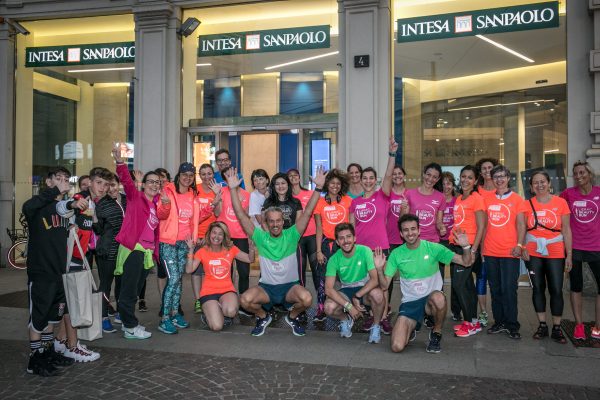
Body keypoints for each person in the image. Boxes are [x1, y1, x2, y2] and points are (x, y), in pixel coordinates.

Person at [226, 166, 326, 337]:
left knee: (307, 298)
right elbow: (241, 215)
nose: (275, 224)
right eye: (271, 221)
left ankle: (292, 317)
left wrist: (318, 188)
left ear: (283, 221)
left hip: (289, 288)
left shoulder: (292, 235)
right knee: (244, 300)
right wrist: (234, 189)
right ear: (266, 221)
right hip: (267, 289)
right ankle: (263, 317)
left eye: (278, 221)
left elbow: (308, 211)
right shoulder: (261, 237)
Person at [376, 214, 473, 353]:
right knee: (396, 346)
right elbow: (384, 286)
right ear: (401, 234)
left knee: (439, 298)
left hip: (430, 300)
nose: (410, 233)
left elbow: (466, 262)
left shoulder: (434, 248)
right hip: (410, 302)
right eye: (406, 230)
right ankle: (412, 328)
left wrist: (466, 247)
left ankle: (436, 333)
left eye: (413, 229)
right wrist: (379, 270)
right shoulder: (396, 254)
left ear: (419, 230)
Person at [23, 167, 84, 376]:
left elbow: (65, 208)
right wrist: (58, 193)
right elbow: (27, 207)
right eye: (58, 179)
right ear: (48, 182)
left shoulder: (63, 208)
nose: (63, 182)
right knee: (38, 318)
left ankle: (47, 352)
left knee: (52, 317)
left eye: (66, 179)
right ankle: (34, 359)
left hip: (59, 271)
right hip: (41, 271)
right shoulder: (37, 205)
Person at [54, 166, 110, 362]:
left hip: (79, 258)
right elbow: (63, 207)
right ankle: (73, 346)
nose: (102, 188)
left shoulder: (93, 204)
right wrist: (73, 206)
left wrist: (94, 217)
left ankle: (61, 340)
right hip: (69, 259)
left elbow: (96, 229)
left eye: (106, 184)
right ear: (90, 182)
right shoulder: (80, 199)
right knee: (74, 304)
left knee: (71, 302)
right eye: (99, 183)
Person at [157, 162, 213, 334]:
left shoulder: (192, 194)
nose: (187, 178)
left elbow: (196, 218)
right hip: (168, 242)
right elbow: (161, 214)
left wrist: (211, 206)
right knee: (173, 278)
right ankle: (164, 318)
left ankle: (175, 314)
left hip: (185, 242)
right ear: (179, 175)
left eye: (191, 175)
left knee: (179, 279)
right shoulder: (168, 191)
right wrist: (165, 204)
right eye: (184, 174)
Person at [349, 139, 397, 334]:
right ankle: (371, 315)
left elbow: (388, 175)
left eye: (371, 178)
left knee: (383, 285)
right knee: (367, 284)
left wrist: (392, 154)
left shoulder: (382, 196)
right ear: (360, 180)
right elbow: (352, 227)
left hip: (379, 248)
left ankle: (384, 318)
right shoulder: (355, 202)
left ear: (375, 180)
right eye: (364, 178)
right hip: (361, 249)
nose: (367, 181)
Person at [518, 170, 571, 344]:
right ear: (531, 187)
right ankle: (542, 325)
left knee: (556, 289)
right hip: (533, 252)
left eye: (542, 182)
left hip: (555, 251)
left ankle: (557, 327)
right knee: (538, 288)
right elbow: (522, 229)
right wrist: (523, 247)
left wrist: (568, 254)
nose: (539, 185)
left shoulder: (561, 203)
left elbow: (566, 230)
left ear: (549, 183)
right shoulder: (526, 204)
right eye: (535, 183)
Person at [111, 145, 158, 340]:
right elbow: (127, 183)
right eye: (151, 182)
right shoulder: (135, 197)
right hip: (134, 250)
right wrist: (121, 163)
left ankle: (126, 319)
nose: (154, 185)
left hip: (146, 252)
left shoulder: (155, 205)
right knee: (130, 290)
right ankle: (130, 326)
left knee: (135, 289)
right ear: (144, 184)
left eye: (157, 182)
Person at [185, 222, 254, 331]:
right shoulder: (202, 251)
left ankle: (220, 311)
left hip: (227, 290)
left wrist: (251, 248)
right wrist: (191, 250)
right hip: (208, 292)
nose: (216, 237)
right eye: (214, 233)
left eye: (220, 234)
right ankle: (208, 314)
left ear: (224, 236)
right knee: (217, 327)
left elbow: (250, 259)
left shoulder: (230, 249)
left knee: (231, 311)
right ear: (209, 234)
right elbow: (189, 270)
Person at [483, 165, 525, 339]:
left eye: (502, 176)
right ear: (492, 180)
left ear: (508, 178)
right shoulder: (487, 199)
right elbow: (483, 225)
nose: (499, 179)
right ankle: (499, 321)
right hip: (491, 251)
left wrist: (520, 245)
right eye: (496, 177)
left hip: (510, 252)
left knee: (509, 289)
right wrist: (481, 250)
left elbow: (522, 224)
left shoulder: (517, 199)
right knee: (495, 288)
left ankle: (512, 324)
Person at [324, 223, 385, 343]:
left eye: (348, 236)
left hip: (365, 288)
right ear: (337, 242)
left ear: (354, 238)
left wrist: (357, 296)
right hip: (346, 289)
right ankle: (345, 319)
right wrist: (349, 307)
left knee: (378, 295)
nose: (346, 241)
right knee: (329, 307)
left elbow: (374, 279)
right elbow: (328, 289)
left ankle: (376, 325)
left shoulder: (365, 250)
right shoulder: (334, 259)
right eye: (341, 238)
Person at [560, 161, 600, 340]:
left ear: (590, 174)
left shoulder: (599, 193)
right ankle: (578, 325)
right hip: (575, 248)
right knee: (576, 287)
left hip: (596, 247)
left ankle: (598, 326)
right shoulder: (568, 194)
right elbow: (557, 209)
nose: (578, 176)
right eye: (575, 173)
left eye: (582, 172)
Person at [450, 165, 486, 338]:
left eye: (469, 177)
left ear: (476, 181)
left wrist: (473, 250)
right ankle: (472, 321)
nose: (465, 180)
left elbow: (481, 227)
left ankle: (469, 323)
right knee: (467, 285)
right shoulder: (459, 198)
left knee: (458, 284)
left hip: (468, 247)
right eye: (463, 176)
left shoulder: (476, 198)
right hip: (457, 245)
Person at [314, 169, 352, 321]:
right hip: (326, 244)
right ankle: (321, 308)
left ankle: (348, 305)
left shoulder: (348, 201)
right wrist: (318, 250)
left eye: (338, 183)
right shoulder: (320, 203)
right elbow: (318, 228)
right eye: (332, 183)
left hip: (345, 245)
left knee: (346, 276)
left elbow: (352, 226)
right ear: (327, 184)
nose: (335, 186)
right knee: (323, 277)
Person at [215, 166, 252, 315]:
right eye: (229, 175)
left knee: (244, 272)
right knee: (226, 272)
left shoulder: (246, 195)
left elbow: (247, 218)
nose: (232, 177)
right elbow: (217, 213)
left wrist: (250, 237)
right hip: (226, 237)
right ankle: (225, 302)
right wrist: (216, 199)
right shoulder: (221, 192)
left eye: (235, 175)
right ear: (225, 178)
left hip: (241, 236)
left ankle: (244, 303)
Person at [93, 173, 126, 334]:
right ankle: (103, 317)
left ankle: (120, 312)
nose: (110, 189)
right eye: (107, 186)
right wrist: (93, 218)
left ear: (119, 184)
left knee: (121, 283)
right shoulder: (102, 204)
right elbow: (98, 230)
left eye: (113, 185)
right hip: (107, 251)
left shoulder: (127, 200)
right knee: (105, 285)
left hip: (124, 251)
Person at [191, 163, 221, 314]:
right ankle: (198, 300)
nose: (207, 176)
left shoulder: (217, 189)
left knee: (209, 271)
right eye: (203, 174)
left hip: (212, 237)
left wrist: (217, 196)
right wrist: (196, 236)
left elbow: (218, 213)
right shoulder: (194, 189)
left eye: (209, 173)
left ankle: (209, 297)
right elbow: (191, 214)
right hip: (196, 237)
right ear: (200, 175)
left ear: (213, 174)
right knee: (196, 272)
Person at [474, 157, 498, 327]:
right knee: (481, 278)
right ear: (480, 172)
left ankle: (500, 313)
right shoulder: (477, 191)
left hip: (499, 241)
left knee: (497, 281)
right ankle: (483, 312)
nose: (487, 170)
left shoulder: (502, 190)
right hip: (480, 241)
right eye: (484, 168)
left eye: (490, 167)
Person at [289, 168, 319, 294]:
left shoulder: (310, 193)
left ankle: (321, 302)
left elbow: (318, 215)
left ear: (300, 178)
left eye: (295, 175)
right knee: (299, 270)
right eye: (290, 176)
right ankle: (301, 301)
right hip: (297, 238)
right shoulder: (287, 197)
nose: (293, 177)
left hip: (312, 236)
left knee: (316, 269)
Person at [440, 171, 461, 321]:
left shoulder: (458, 200)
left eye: (449, 183)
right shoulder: (436, 199)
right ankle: (437, 308)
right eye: (443, 183)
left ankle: (456, 310)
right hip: (439, 242)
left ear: (453, 184)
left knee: (456, 279)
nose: (446, 186)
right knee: (437, 278)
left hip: (454, 241)